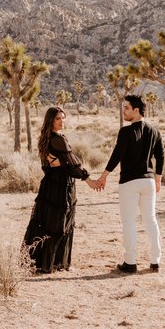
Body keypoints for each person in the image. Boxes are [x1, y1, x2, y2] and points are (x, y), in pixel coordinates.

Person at [23, 106, 100, 273]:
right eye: (58, 118)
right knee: (61, 224)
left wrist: (62, 164)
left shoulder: (46, 138)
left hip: (50, 185)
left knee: (48, 222)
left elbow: (56, 164)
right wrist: (89, 180)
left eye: (63, 118)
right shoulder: (59, 139)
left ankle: (43, 262)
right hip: (61, 186)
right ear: (50, 120)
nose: (62, 121)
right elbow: (73, 164)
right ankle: (55, 263)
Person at [96, 94, 164, 274]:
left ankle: (130, 262)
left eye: (126, 108)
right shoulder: (154, 131)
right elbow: (161, 155)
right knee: (150, 220)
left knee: (129, 222)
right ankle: (155, 261)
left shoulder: (125, 132)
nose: (123, 111)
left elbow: (117, 155)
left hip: (129, 182)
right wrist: (157, 179)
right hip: (148, 181)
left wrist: (104, 176)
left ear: (136, 110)